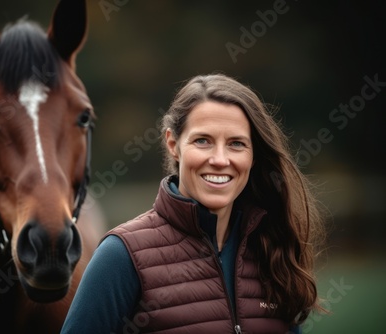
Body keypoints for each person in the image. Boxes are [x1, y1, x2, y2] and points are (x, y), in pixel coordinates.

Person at [60, 73, 325, 333]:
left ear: (253, 155)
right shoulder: (121, 256)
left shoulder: (272, 251)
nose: (220, 159)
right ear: (173, 144)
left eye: (236, 143)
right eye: (203, 141)